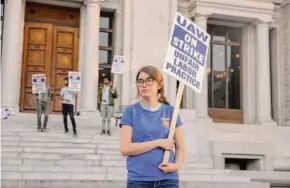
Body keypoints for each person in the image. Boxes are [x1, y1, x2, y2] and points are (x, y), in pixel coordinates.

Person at [119, 66, 185, 188]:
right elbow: (125, 148)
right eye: (140, 81)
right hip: (139, 180)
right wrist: (158, 142)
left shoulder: (171, 112)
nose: (144, 85)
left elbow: (180, 147)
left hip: (167, 180)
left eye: (149, 80)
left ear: (159, 84)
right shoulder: (130, 112)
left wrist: (176, 166)